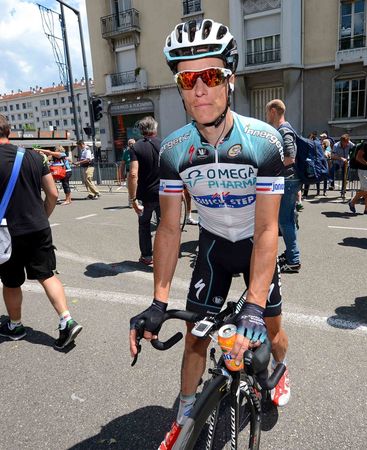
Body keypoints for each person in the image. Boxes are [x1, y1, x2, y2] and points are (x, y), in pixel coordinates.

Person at [128, 19, 290, 450]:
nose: (199, 89)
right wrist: (158, 301)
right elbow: (168, 227)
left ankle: (278, 372)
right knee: (196, 337)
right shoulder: (172, 150)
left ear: (230, 80)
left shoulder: (264, 141)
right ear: (179, 88)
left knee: (271, 331)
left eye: (211, 76)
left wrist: (254, 305)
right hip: (214, 246)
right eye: (188, 79)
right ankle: (186, 412)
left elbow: (268, 227)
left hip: (256, 245)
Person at [0, 114, 82, 348]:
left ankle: (15, 326)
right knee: (47, 274)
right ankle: (66, 320)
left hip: (7, 231)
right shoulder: (34, 157)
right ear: (9, 131)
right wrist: (42, 217)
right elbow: (53, 194)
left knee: (11, 282)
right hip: (38, 226)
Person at [266, 98, 301, 273]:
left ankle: (293, 260)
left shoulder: (284, 130)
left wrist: (271, 166)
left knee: (285, 221)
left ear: (273, 111)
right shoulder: (286, 129)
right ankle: (290, 254)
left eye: (267, 113)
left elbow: (290, 157)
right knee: (288, 220)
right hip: (290, 180)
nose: (267, 116)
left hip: (287, 181)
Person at [127, 116, 161, 266]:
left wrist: (132, 198)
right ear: (155, 129)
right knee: (164, 226)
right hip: (164, 194)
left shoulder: (136, 147)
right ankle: (163, 256)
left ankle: (147, 256)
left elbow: (133, 174)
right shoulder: (164, 144)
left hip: (145, 195)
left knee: (144, 225)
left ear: (141, 131)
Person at [119, 139, 135, 207]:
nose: (131, 145)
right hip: (129, 172)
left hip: (137, 172)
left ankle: (139, 201)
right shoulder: (126, 152)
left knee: (138, 187)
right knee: (129, 187)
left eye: (132, 143)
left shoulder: (138, 151)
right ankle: (131, 202)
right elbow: (123, 164)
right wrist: (122, 174)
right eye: (130, 143)